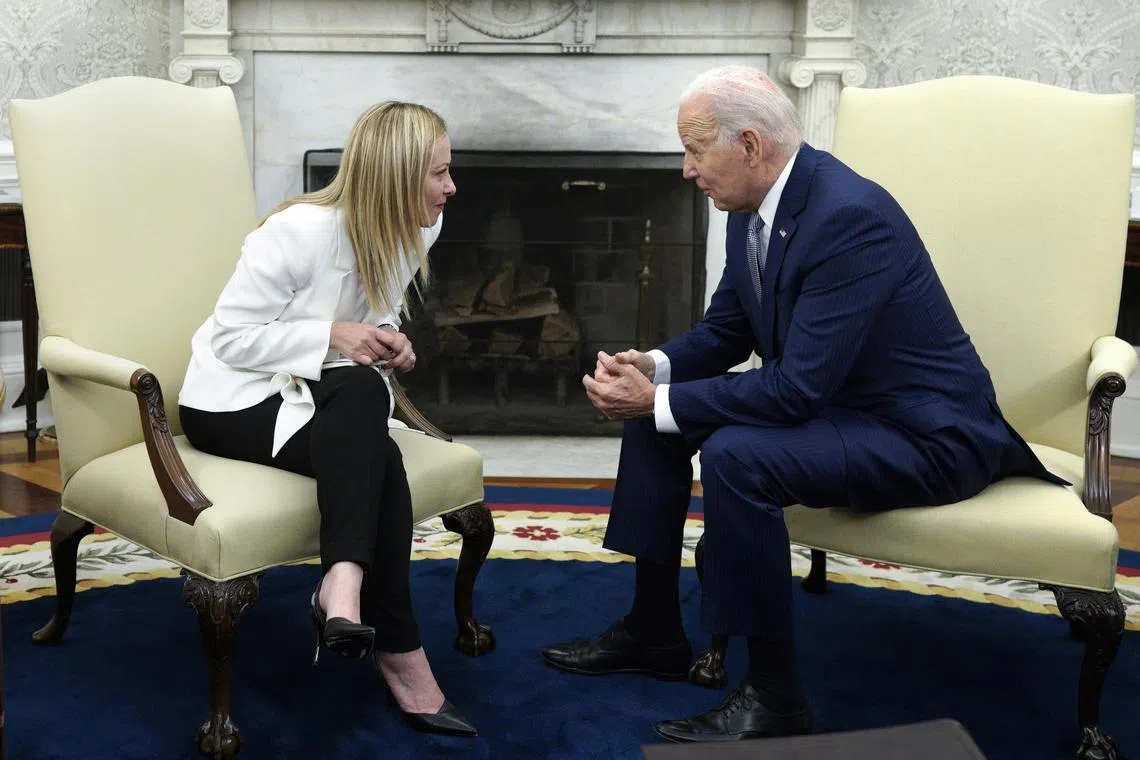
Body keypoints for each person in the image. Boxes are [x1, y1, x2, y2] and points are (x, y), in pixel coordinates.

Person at [540, 64, 1065, 743]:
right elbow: (727, 331)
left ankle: (776, 697)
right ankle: (653, 631)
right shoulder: (752, 206)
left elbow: (796, 390)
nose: (685, 170)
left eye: (695, 150)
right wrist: (654, 367)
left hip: (926, 435)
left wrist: (658, 399)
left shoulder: (849, 217)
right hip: (843, 412)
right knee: (657, 420)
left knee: (734, 454)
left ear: (750, 145)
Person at [177, 101, 476, 738]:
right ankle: (401, 655)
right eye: (439, 173)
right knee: (379, 447)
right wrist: (334, 336)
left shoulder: (422, 226)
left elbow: (376, 311)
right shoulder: (298, 232)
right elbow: (230, 340)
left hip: (324, 391)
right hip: (231, 400)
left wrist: (389, 342)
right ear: (397, 178)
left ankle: (342, 587)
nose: (452, 187)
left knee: (368, 405)